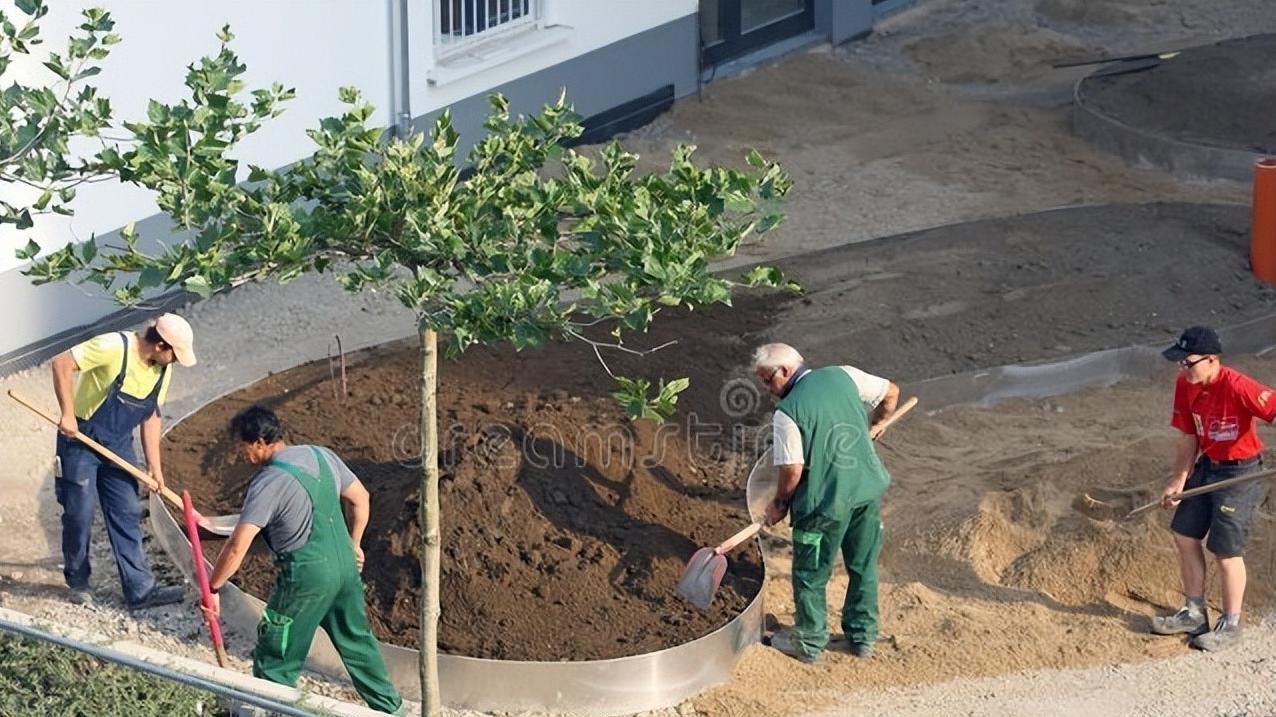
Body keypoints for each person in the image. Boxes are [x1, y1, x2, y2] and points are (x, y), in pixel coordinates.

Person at [204, 405, 404, 715]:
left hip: (305, 578)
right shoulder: (322, 455)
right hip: (346, 571)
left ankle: (269, 712)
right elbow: (361, 498)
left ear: (259, 441)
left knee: (276, 657)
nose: (240, 454)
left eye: (242, 446)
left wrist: (213, 587)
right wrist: (354, 544)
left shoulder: (268, 481)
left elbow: (236, 546)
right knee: (358, 645)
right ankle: (393, 711)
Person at [753, 342, 900, 663]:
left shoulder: (788, 413)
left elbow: (791, 469)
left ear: (786, 371)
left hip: (823, 506)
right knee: (863, 567)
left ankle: (809, 644)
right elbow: (891, 392)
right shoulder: (844, 375)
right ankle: (862, 638)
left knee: (810, 575)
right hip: (864, 493)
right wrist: (875, 424)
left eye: (767, 380)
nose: (767, 389)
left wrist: (779, 504)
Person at [51, 313, 196, 609]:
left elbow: (151, 415)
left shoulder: (161, 370)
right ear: (161, 346)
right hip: (80, 440)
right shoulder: (114, 347)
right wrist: (67, 413)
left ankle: (139, 589)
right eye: (175, 355)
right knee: (79, 513)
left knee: (127, 511)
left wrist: (155, 467)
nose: (176, 362)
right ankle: (78, 582)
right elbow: (62, 363)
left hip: (118, 445)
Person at [1151, 326, 1275, 651]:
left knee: (1225, 551)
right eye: (1180, 363)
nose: (1182, 369)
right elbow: (1189, 437)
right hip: (1207, 466)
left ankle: (1231, 625)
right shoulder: (1186, 384)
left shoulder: (1238, 386)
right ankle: (1194, 612)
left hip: (1240, 472)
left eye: (1188, 362)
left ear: (1212, 359)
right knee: (1184, 535)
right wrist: (1179, 479)